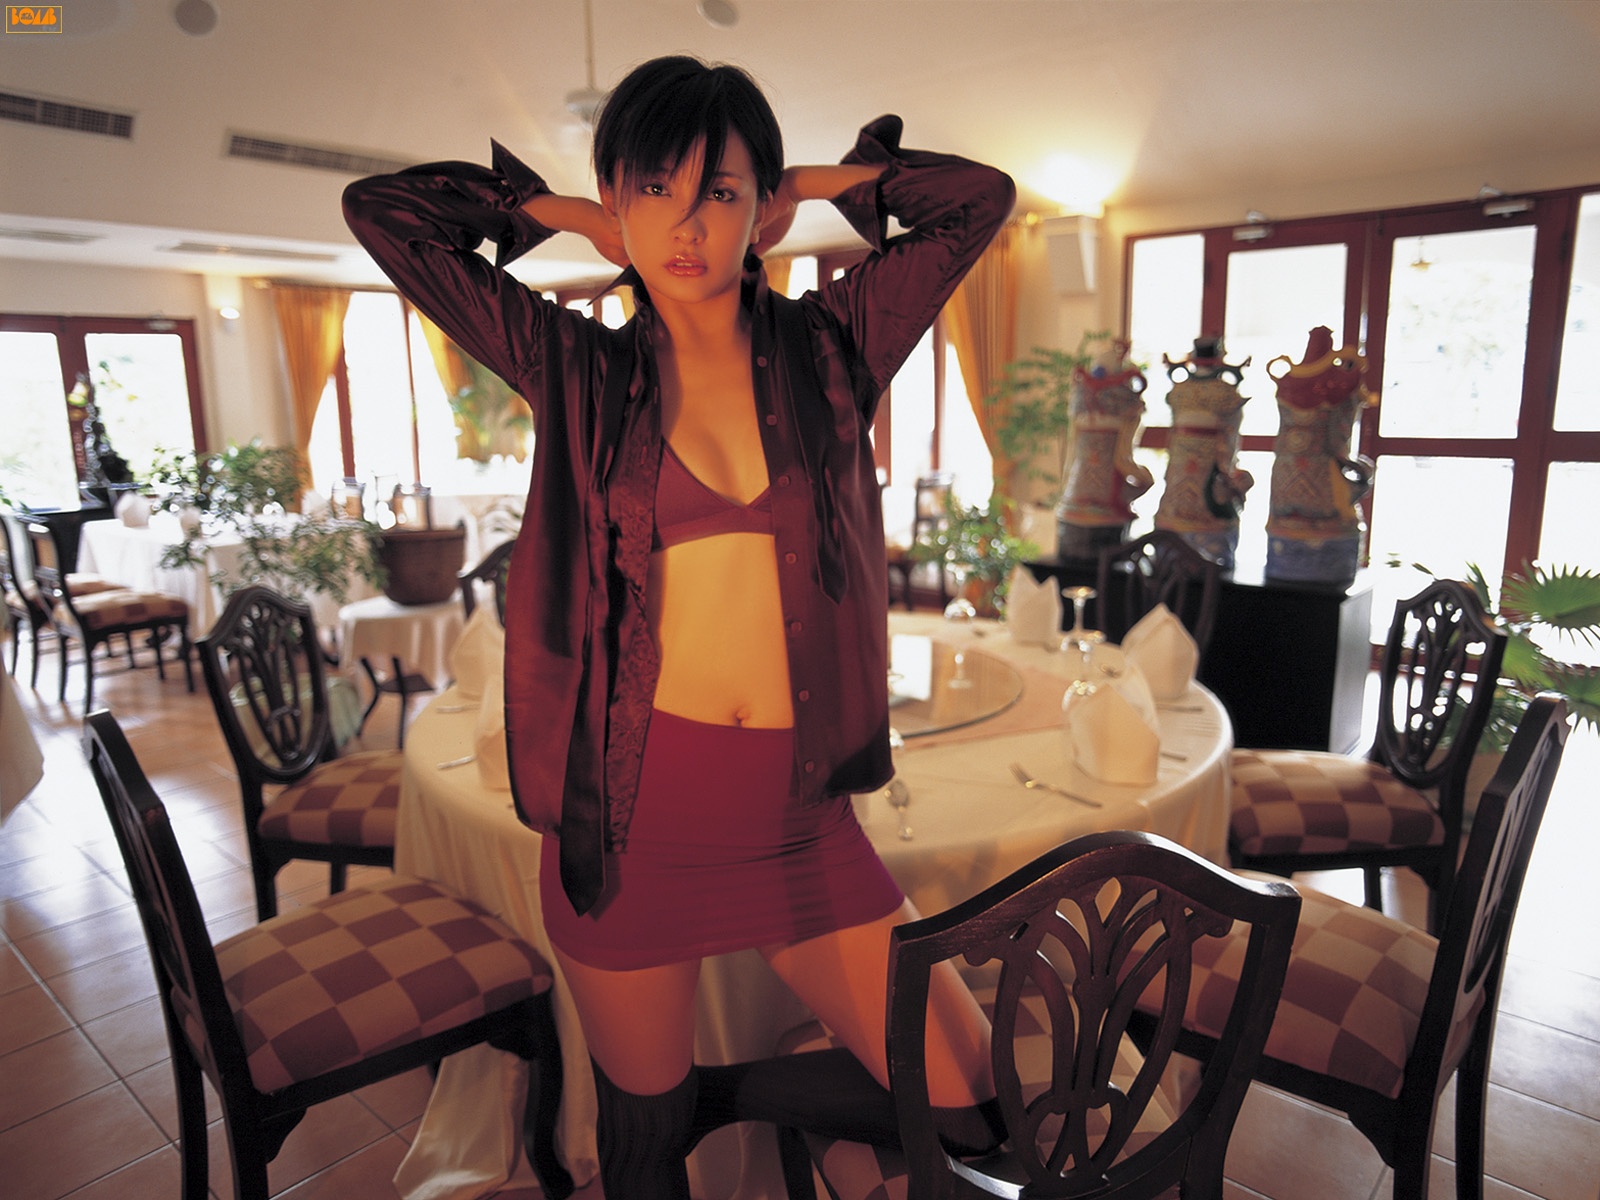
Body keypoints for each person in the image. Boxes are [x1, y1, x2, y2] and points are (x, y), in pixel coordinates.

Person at [345, 55, 1015, 1199]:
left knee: (970, 1103)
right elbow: (387, 215)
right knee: (644, 1144)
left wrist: (814, 184)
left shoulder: (834, 345)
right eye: (653, 189)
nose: (686, 225)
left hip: (803, 823)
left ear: (763, 210)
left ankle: (727, 1096)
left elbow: (974, 201)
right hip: (633, 829)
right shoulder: (573, 366)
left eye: (720, 191)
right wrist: (563, 212)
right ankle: (679, 1110)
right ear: (619, 201)